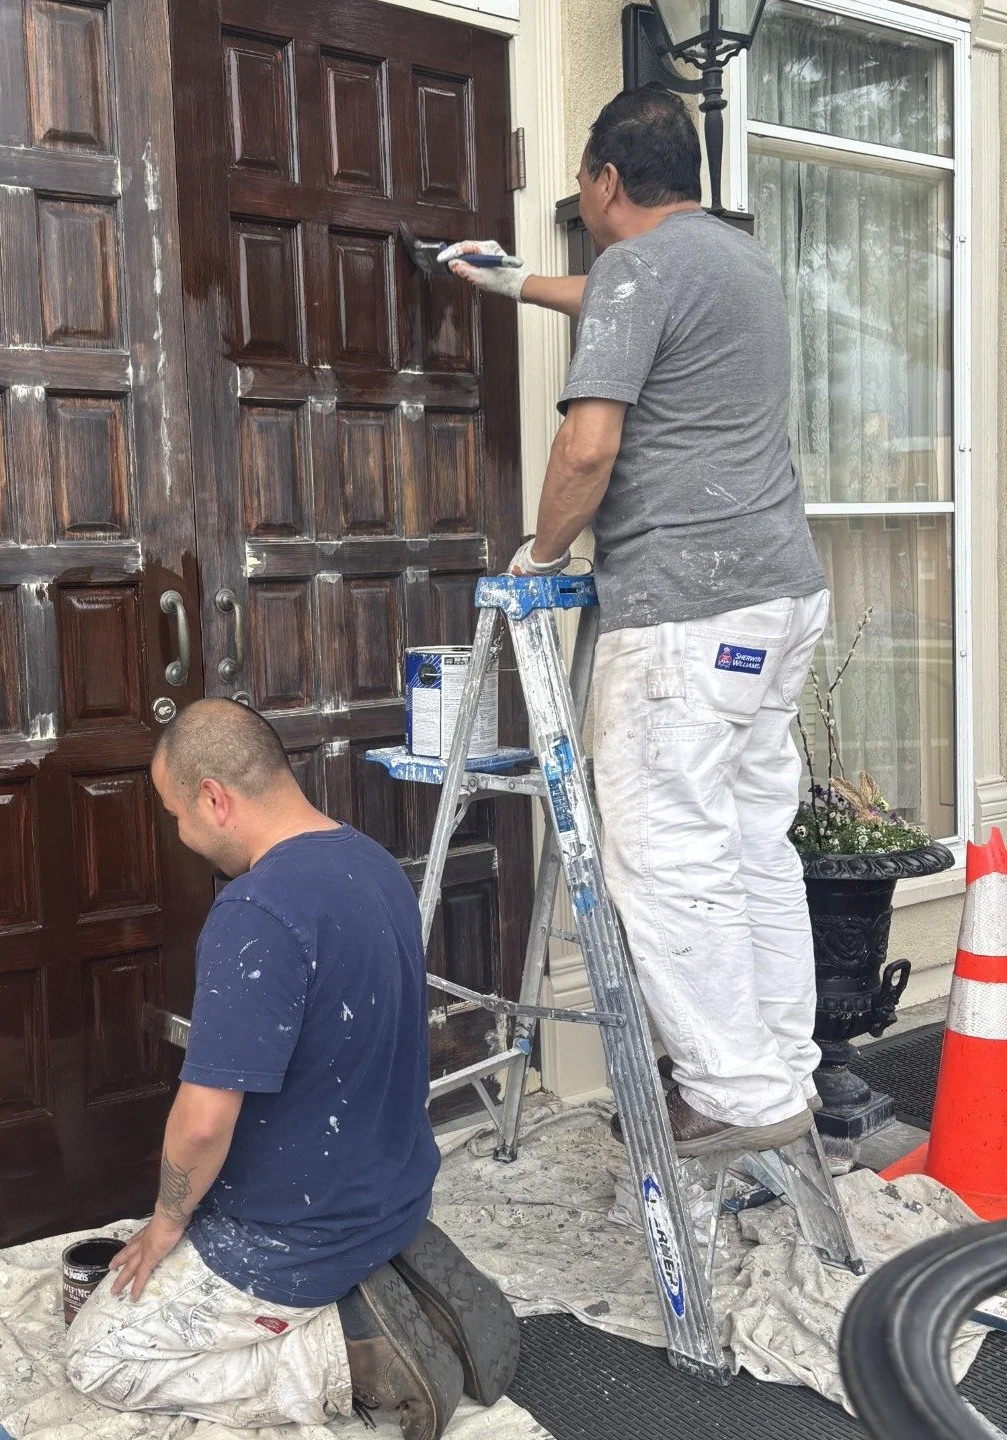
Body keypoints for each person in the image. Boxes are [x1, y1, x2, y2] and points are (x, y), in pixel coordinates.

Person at [442, 85, 830, 1157]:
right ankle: (780, 1073)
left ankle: (732, 1093)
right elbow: (625, 298)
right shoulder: (739, 260)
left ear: (608, 180)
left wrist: (540, 554)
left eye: (580, 183)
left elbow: (589, 449)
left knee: (663, 853)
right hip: (778, 598)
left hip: (687, 613)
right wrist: (520, 283)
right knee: (753, 842)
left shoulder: (636, 269)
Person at [66, 699, 518, 1440]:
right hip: (396, 1193)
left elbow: (206, 1119)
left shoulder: (258, 912)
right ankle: (377, 1277)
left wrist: (167, 1219)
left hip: (299, 1235)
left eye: (177, 813)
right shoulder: (371, 861)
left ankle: (346, 1356)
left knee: (101, 1356)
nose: (180, 833)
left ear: (215, 797)